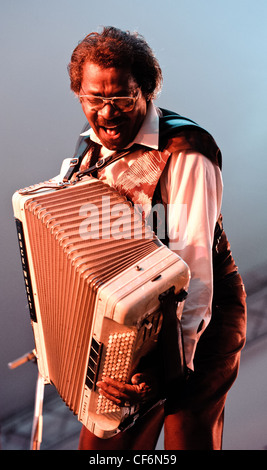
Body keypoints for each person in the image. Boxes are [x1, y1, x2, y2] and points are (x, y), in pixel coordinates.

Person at [60, 26, 246, 450]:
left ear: (145, 90)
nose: (106, 113)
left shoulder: (188, 151)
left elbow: (194, 272)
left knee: (186, 444)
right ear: (80, 95)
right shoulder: (86, 155)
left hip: (202, 320)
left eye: (121, 98)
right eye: (94, 99)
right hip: (133, 317)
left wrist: (170, 366)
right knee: (103, 450)